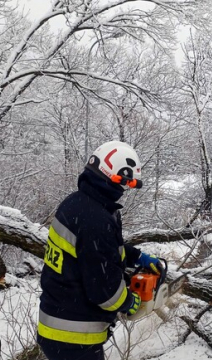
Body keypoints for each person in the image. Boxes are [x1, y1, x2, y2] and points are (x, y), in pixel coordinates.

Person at [37, 141, 163, 360]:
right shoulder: (95, 219)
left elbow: (95, 253)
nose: (124, 190)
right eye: (126, 184)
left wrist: (136, 256)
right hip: (74, 336)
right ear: (116, 177)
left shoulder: (78, 203)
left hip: (57, 323)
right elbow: (104, 292)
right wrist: (128, 302)